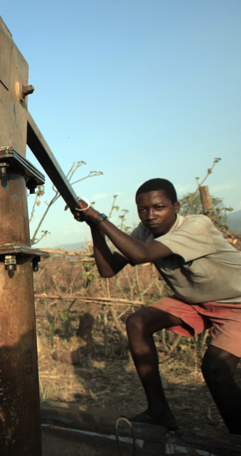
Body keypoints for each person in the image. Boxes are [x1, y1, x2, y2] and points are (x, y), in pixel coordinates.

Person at [73, 178, 241, 434]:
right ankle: (159, 411)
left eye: (158, 207)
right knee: (138, 322)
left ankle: (237, 436)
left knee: (216, 369)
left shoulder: (197, 225)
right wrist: (94, 226)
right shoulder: (145, 231)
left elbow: (142, 255)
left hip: (236, 303)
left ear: (176, 206)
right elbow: (108, 270)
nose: (150, 216)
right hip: (195, 300)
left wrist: (98, 217)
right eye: (143, 210)